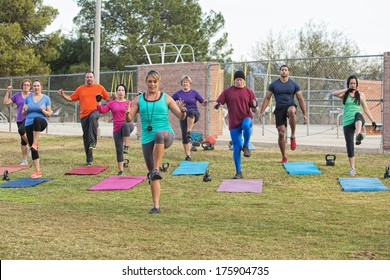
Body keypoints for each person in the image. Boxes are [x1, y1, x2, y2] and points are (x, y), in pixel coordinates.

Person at [125, 70, 187, 214]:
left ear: (159, 83)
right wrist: (127, 114)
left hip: (166, 134)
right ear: (146, 82)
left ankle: (157, 169)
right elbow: (129, 120)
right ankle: (156, 206)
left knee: (159, 136)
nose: (152, 84)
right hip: (147, 138)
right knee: (152, 174)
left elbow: (180, 116)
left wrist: (183, 111)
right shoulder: (139, 100)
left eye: (155, 81)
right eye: (149, 81)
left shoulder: (166, 98)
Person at [58, 71, 109, 165]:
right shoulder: (80, 89)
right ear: (85, 78)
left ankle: (93, 142)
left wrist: (113, 97)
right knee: (86, 137)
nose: (89, 78)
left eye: (91, 77)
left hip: (95, 111)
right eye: (87, 77)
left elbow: (108, 98)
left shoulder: (99, 87)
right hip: (84, 115)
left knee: (93, 118)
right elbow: (71, 98)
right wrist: (63, 95)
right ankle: (89, 159)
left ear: (94, 78)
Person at [259, 65, 307, 163]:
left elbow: (300, 98)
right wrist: (262, 111)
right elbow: (267, 98)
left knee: (292, 111)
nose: (284, 72)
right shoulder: (274, 85)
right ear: (280, 72)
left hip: (290, 105)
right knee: (281, 133)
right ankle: (284, 156)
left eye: (286, 70)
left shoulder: (294, 84)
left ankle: (293, 136)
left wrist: (305, 113)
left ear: (288, 72)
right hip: (279, 109)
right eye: (282, 70)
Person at [215, 70, 258, 179]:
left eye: (241, 80)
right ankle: (238, 172)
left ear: (244, 81)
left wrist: (255, 106)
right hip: (234, 122)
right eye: (237, 80)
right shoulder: (228, 91)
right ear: (234, 81)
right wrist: (217, 105)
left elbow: (254, 110)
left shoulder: (249, 92)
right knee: (237, 148)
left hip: (246, 117)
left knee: (246, 125)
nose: (239, 82)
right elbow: (219, 102)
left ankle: (246, 145)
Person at [332, 75, 377, 176]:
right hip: (347, 122)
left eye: (354, 84)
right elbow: (334, 93)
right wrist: (346, 89)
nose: (353, 85)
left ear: (357, 85)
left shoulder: (360, 95)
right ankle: (352, 168)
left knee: (358, 114)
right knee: (349, 145)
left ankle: (358, 135)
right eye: (351, 83)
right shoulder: (345, 95)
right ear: (348, 84)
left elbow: (366, 109)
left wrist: (373, 121)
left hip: (358, 120)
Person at [97, 84, 134, 175]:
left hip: (128, 126)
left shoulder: (129, 103)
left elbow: (139, 109)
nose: (121, 92)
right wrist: (98, 102)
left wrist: (140, 98)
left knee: (125, 123)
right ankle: (120, 171)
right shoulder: (112, 103)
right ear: (116, 92)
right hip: (117, 128)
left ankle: (126, 146)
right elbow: (102, 111)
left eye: (122, 90)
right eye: (119, 90)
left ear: (125, 93)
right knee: (118, 150)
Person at [172, 75, 207, 161]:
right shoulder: (178, 93)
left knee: (190, 112)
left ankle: (189, 132)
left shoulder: (194, 93)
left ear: (190, 83)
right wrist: (178, 107)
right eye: (183, 82)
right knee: (184, 137)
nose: (185, 83)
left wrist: (205, 102)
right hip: (183, 115)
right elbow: (170, 101)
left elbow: (202, 102)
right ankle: (188, 156)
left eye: (186, 82)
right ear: (181, 84)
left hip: (194, 114)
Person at [22, 80, 52, 178]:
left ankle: (35, 142)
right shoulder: (28, 98)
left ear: (41, 87)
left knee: (37, 119)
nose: (36, 87)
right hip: (29, 124)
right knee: (33, 149)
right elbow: (23, 113)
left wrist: (42, 110)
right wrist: (25, 111)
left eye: (38, 86)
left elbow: (49, 114)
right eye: (34, 86)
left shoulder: (46, 98)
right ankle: (37, 171)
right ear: (32, 88)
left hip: (41, 122)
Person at [3, 79, 32, 165]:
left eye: (27, 85)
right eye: (24, 85)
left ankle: (32, 146)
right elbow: (6, 102)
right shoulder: (17, 96)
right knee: (23, 141)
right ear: (22, 86)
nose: (26, 86)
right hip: (19, 119)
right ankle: (24, 160)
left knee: (21, 130)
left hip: (30, 118)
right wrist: (8, 92)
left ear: (30, 87)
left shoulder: (33, 96)